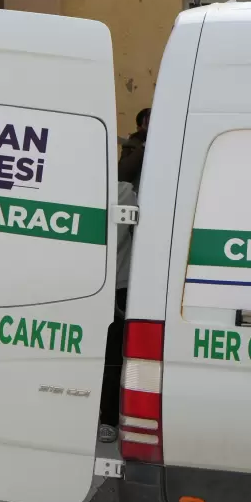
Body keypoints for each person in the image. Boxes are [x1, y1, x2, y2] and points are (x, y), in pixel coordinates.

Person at [98, 179, 138, 443]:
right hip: (115, 288)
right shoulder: (124, 191)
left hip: (90, 285)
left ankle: (104, 417)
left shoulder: (82, 187)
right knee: (112, 358)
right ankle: (108, 420)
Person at [118, 107, 150, 185]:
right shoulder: (132, 144)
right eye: (147, 124)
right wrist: (143, 147)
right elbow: (122, 174)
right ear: (139, 128)